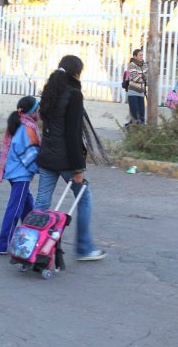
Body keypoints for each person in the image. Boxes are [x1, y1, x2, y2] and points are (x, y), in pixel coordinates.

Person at [34, 55, 106, 261]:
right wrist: (78, 168)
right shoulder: (74, 94)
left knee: (42, 202)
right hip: (66, 159)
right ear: (77, 72)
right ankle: (83, 248)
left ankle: (31, 243)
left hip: (47, 156)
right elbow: (73, 134)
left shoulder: (50, 91)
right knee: (84, 199)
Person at [0, 96, 41, 254]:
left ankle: (33, 236)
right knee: (15, 210)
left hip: (14, 170)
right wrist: (40, 169)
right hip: (21, 174)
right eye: (37, 109)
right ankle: (3, 244)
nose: (39, 113)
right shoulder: (27, 127)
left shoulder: (19, 123)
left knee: (28, 207)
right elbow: (29, 154)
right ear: (32, 111)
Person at [126, 49, 148, 124]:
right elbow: (135, 78)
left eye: (142, 55)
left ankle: (137, 130)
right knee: (135, 114)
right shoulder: (132, 65)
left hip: (141, 92)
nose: (142, 56)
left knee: (142, 114)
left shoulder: (144, 64)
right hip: (133, 92)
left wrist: (142, 76)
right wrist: (143, 77)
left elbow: (147, 77)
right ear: (135, 56)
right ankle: (132, 130)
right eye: (140, 55)